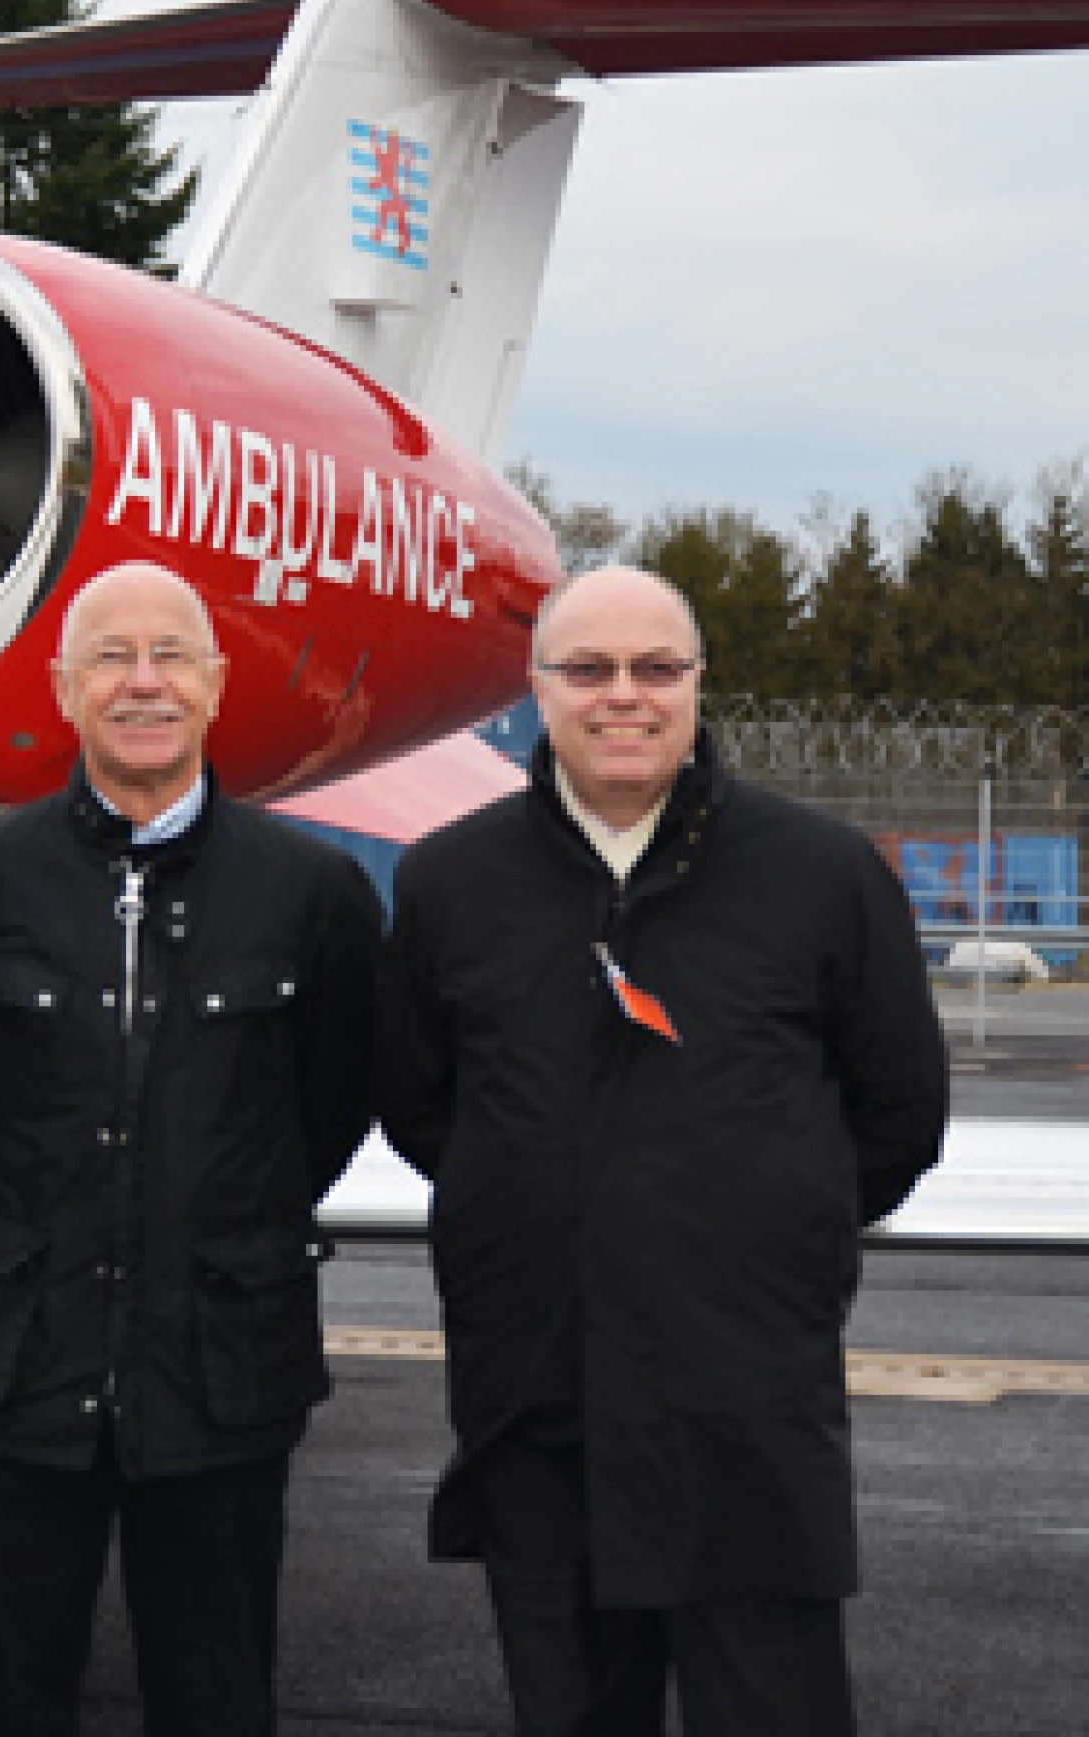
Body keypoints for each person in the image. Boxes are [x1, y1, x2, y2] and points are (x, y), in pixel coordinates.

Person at [378, 564, 949, 1737]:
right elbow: (423, 1105)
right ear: (539, 686)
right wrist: (544, 1207)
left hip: (746, 1403)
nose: (623, 695)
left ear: (697, 684)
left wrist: (771, 1225)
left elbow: (899, 1113)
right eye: (588, 668)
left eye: (656, 667)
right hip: (538, 1400)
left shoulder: (824, 874)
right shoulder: (449, 880)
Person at [0, 559, 383, 1737]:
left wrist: (219, 1218)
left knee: (216, 1697)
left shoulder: (313, 892)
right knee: (1, 1698)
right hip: (18, 1371)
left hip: (221, 1378)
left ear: (215, 684)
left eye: (171, 654)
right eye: (111, 657)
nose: (143, 682)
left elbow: (326, 1107)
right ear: (63, 687)